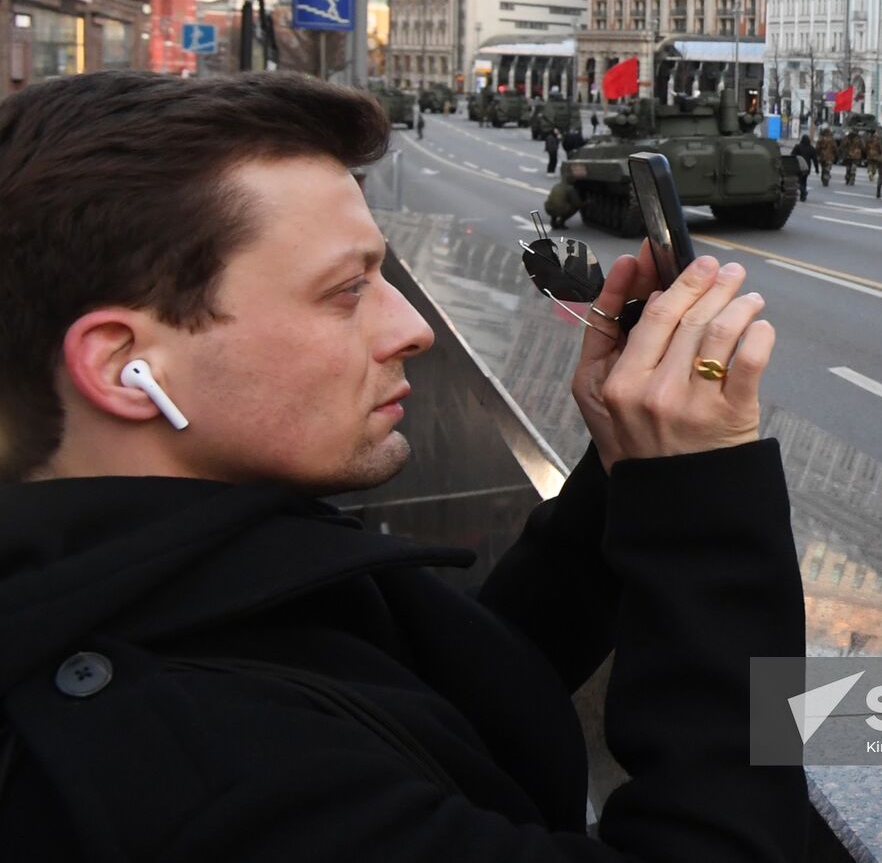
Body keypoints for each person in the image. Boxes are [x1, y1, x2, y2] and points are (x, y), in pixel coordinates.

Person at [0, 71, 808, 860]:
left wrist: (626, 464)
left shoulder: (145, 567)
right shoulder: (197, 783)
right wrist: (708, 509)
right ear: (123, 367)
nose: (412, 327)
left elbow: (428, 678)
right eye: (347, 290)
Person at [791, 134, 818, 202]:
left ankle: (803, 191)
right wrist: (817, 169)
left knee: (798, 181)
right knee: (804, 181)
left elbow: (792, 155)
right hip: (807, 168)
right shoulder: (811, 148)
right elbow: (815, 159)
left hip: (798, 167)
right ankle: (803, 196)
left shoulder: (798, 147)